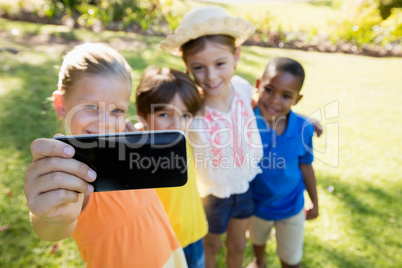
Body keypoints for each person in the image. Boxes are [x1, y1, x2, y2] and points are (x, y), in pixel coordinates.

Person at [24, 43, 187, 268]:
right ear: (61, 105)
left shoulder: (130, 147)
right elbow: (51, 226)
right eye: (91, 106)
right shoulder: (69, 170)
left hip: (169, 255)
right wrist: (50, 215)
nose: (106, 122)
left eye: (117, 110)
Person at [160, 6, 264, 268]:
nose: (211, 76)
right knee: (212, 245)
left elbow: (258, 111)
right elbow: (166, 128)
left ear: (236, 56)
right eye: (199, 67)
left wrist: (305, 122)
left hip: (245, 183)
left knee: (238, 244)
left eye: (220, 64)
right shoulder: (192, 108)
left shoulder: (241, 87)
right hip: (212, 193)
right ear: (187, 67)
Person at [247, 57, 319, 268]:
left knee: (291, 260)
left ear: (297, 98)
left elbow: (306, 166)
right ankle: (259, 261)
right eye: (269, 90)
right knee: (257, 241)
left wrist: (314, 201)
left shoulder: (303, 129)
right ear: (258, 85)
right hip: (255, 205)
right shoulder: (246, 121)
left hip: (291, 206)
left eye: (286, 95)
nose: (275, 100)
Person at [135, 66, 208, 268]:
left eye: (185, 115)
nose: (176, 125)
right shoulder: (136, 151)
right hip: (160, 246)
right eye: (165, 115)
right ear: (142, 115)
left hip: (194, 234)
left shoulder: (188, 139)